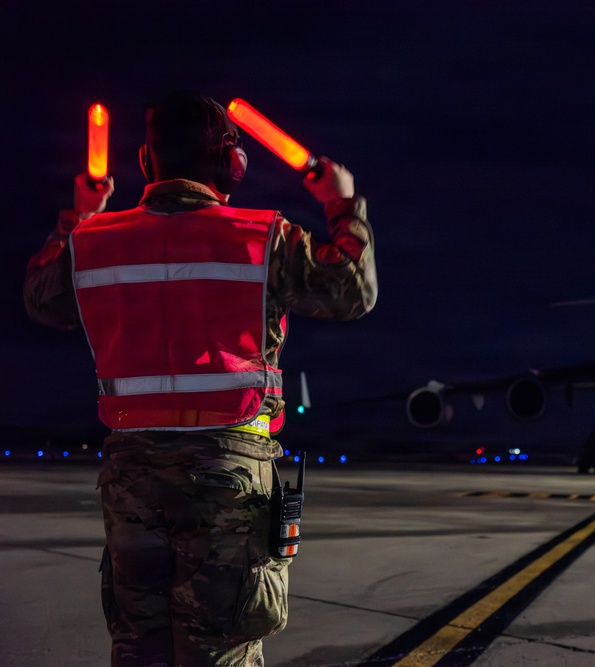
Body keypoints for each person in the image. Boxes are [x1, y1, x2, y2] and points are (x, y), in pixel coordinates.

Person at [24, 91, 377, 666]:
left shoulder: (93, 241)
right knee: (221, 649)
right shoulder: (263, 236)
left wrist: (80, 216)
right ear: (231, 164)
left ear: (146, 162)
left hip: (132, 476)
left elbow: (41, 298)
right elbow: (352, 290)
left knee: (139, 647)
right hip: (227, 475)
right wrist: (343, 205)